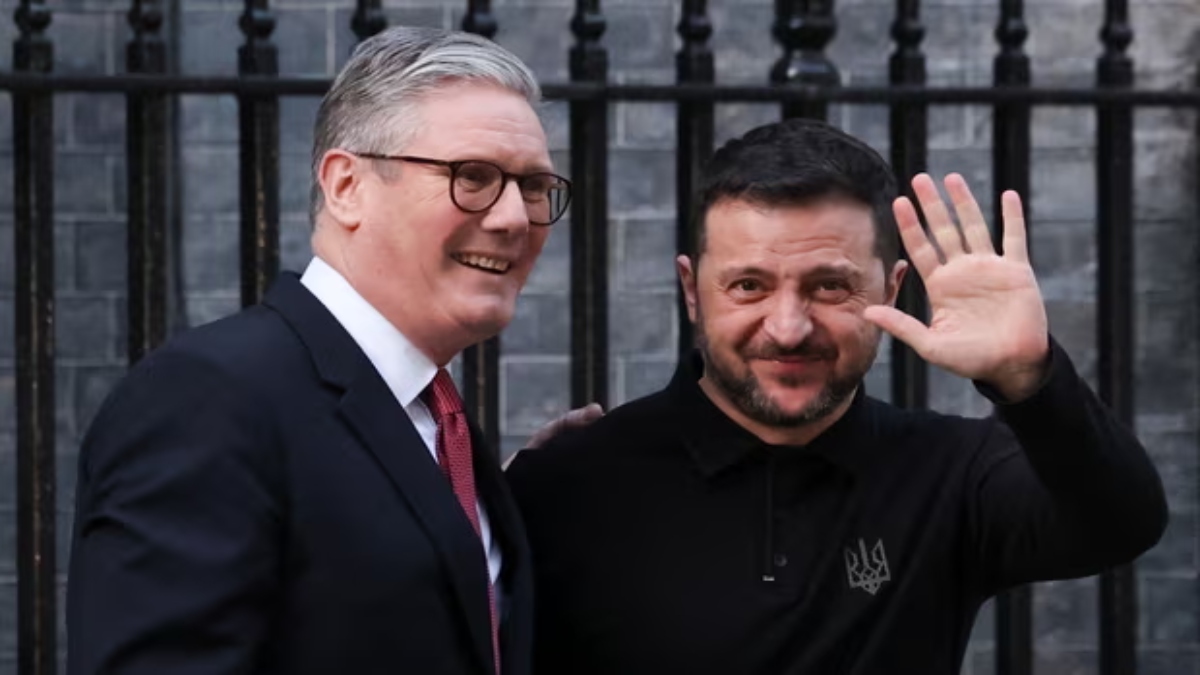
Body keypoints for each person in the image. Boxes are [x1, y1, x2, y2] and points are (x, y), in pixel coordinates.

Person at [505, 118, 1167, 674]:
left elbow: (1122, 522)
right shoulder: (569, 481)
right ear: (690, 290)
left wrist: (1029, 377)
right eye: (749, 287)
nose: (789, 327)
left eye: (829, 286)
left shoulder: (954, 473)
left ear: (892, 286)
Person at [66, 26, 597, 675]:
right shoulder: (208, 399)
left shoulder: (436, 422)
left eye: (535, 186)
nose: (515, 216)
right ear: (346, 185)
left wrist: (528, 499)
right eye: (474, 176)